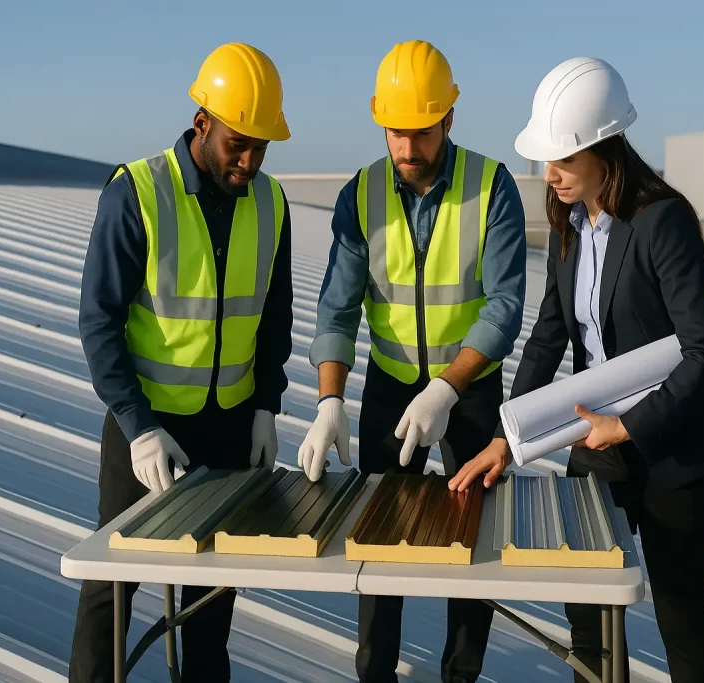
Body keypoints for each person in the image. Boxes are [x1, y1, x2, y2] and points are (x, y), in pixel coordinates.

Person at [449, 57, 704, 683]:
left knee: (681, 620)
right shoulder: (568, 220)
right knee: (586, 610)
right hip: (599, 445)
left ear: (605, 151)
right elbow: (551, 333)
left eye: (563, 160)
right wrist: (509, 434)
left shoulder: (662, 220)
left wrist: (632, 425)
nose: (548, 174)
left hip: (675, 447)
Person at [297, 39, 527, 683]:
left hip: (472, 392)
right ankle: (375, 672)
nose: (406, 148)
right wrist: (328, 402)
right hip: (392, 390)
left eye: (421, 132)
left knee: (475, 542)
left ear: (449, 120)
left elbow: (507, 303)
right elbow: (336, 311)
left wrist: (449, 387)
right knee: (377, 538)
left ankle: (461, 674)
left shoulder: (492, 187)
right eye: (395, 131)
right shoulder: (361, 194)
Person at [69, 42, 294, 683]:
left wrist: (265, 407)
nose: (248, 161)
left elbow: (273, 320)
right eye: (236, 145)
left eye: (260, 148)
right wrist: (136, 425)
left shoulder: (271, 204)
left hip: (228, 431)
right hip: (146, 432)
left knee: (209, 605)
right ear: (203, 124)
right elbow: (99, 322)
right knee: (111, 591)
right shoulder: (136, 193)